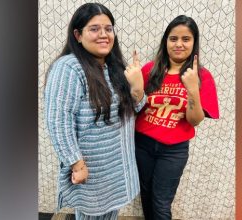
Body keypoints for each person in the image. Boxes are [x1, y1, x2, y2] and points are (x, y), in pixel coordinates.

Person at [44, 3, 145, 219]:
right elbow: (58, 120)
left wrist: (137, 87)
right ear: (78, 35)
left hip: (116, 170)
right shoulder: (69, 67)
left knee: (110, 216)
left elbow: (134, 108)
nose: (104, 35)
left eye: (108, 29)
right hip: (92, 174)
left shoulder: (115, 67)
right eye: (94, 29)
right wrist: (76, 164)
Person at [134, 15, 220, 220]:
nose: (179, 44)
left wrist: (193, 90)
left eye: (186, 39)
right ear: (166, 41)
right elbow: (135, 107)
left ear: (194, 43)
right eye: (173, 39)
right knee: (145, 195)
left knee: (161, 202)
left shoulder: (201, 76)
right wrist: (135, 85)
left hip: (173, 150)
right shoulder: (150, 69)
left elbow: (195, 120)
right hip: (142, 144)